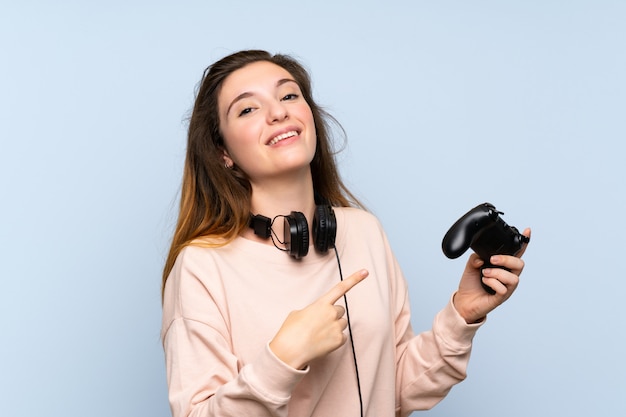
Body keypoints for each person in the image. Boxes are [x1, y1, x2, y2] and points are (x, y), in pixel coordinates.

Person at [160, 49, 530, 417]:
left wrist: (461, 316)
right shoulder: (202, 266)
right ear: (223, 151)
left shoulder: (363, 231)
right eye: (247, 109)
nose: (278, 112)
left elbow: (396, 390)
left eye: (288, 95)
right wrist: (284, 357)